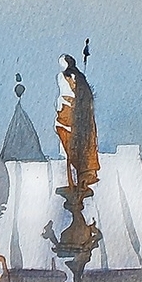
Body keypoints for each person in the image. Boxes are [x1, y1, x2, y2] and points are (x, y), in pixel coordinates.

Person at [55, 54, 100, 190]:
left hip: (70, 114)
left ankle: (75, 181)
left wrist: (65, 104)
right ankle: (75, 181)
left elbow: (66, 95)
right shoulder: (80, 78)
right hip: (75, 116)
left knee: (70, 146)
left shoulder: (64, 77)